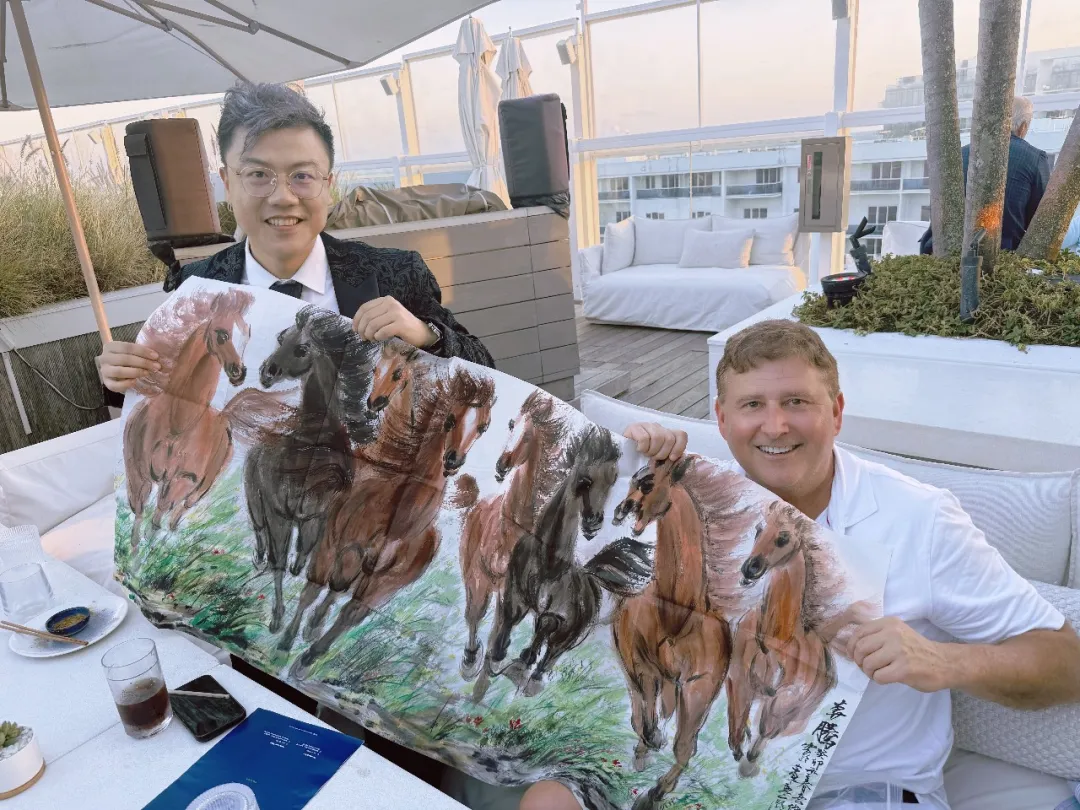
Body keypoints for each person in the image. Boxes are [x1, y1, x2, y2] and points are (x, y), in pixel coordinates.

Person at [519, 319, 1080, 810]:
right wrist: (628, 459)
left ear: (836, 411)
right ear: (721, 419)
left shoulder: (921, 518)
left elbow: (1065, 662)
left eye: (797, 402)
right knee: (547, 800)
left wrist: (944, 661)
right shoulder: (704, 493)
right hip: (704, 778)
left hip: (854, 790)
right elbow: (580, 537)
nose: (775, 426)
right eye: (752, 406)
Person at [97, 81, 493, 392]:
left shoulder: (396, 273)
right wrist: (122, 376)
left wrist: (426, 335)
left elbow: (485, 372)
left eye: (302, 175)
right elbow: (176, 386)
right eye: (258, 175)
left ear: (328, 185)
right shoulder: (196, 287)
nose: (283, 197)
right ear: (227, 183)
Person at [921, 96, 1050, 254]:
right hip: (1001, 254)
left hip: (940, 250)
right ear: (1023, 127)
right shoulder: (1035, 158)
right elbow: (1040, 219)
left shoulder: (959, 154)